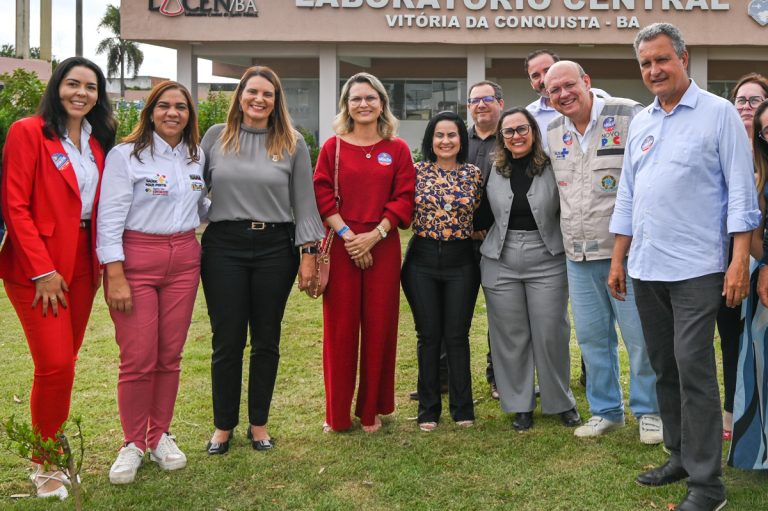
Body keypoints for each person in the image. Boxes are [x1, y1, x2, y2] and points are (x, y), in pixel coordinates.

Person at [609, 23, 760, 511]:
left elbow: (740, 194)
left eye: (661, 59)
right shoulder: (644, 122)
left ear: (684, 57)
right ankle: (678, 455)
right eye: (646, 63)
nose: (654, 70)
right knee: (663, 366)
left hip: (698, 267)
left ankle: (708, 484)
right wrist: (618, 256)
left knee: (693, 366)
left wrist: (738, 261)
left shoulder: (719, 115)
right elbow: (629, 194)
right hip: (646, 266)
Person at [0, 56, 115, 500]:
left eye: (90, 87)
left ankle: (53, 441)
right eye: (73, 84)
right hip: (41, 268)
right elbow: (15, 206)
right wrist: (42, 270)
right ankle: (43, 461)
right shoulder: (29, 132)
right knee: (55, 365)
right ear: (57, 87)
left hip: (85, 263)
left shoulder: (97, 141)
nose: (81, 93)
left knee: (64, 365)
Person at [201, 66, 325, 453]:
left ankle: (259, 424)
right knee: (227, 340)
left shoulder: (292, 142)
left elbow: (305, 204)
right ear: (239, 96)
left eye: (267, 94)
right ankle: (223, 426)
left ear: (276, 101)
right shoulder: (214, 138)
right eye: (252, 92)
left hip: (275, 248)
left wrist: (309, 256)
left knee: (266, 339)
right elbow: (190, 188)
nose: (259, 99)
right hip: (223, 246)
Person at [543, 60, 662, 444]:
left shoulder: (629, 114)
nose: (563, 95)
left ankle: (650, 411)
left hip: (626, 254)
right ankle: (606, 410)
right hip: (577, 255)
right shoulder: (553, 130)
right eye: (553, 91)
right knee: (593, 339)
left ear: (587, 82)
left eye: (568, 85)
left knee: (640, 337)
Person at [97, 81, 208, 484]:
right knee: (139, 356)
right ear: (150, 110)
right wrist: (115, 272)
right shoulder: (126, 156)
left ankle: (159, 434)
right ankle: (132, 442)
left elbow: (201, 204)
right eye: (164, 106)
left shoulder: (196, 157)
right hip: (136, 261)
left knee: (169, 354)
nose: (173, 113)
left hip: (183, 261)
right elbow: (109, 217)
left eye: (181, 107)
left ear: (189, 115)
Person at [314, 72, 415, 433]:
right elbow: (322, 194)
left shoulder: (398, 149)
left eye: (370, 98)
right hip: (342, 246)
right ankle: (337, 415)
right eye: (356, 98)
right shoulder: (333, 147)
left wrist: (373, 235)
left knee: (379, 327)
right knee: (340, 331)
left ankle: (371, 410)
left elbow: (404, 197)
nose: (363, 104)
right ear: (346, 105)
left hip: (383, 245)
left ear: (382, 103)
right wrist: (348, 236)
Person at [481, 107, 579, 431]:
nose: (516, 136)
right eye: (508, 132)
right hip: (501, 258)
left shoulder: (552, 166)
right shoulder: (493, 169)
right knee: (510, 335)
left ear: (533, 132)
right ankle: (519, 403)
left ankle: (560, 401)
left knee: (551, 332)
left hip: (547, 256)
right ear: (501, 139)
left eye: (521, 129)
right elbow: (480, 213)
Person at [402, 111, 482, 431]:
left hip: (461, 261)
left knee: (457, 337)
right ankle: (428, 409)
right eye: (439, 135)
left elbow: (482, 216)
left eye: (452, 135)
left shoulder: (474, 174)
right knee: (429, 336)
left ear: (461, 139)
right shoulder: (415, 171)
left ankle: (462, 409)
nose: (445, 141)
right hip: (421, 260)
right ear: (430, 140)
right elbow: (402, 212)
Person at [719, 74, 768, 441]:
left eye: (754, 100)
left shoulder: (764, 152)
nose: (746, 107)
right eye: (741, 100)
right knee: (732, 334)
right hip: (732, 255)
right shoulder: (725, 144)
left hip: (760, 258)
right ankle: (733, 409)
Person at [730, 99, 768, 470]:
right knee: (762, 369)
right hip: (766, 283)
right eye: (766, 130)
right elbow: (755, 237)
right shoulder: (761, 174)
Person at [467, 80, 505, 400]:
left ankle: (499, 377)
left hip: (500, 243)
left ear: (500, 104)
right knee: (453, 313)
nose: (481, 105)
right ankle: (446, 376)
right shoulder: (455, 139)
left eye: (487, 99)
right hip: (461, 243)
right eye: (475, 100)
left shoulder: (511, 139)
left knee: (502, 315)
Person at [524, 49, 609, 153]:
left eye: (547, 70)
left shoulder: (600, 98)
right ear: (531, 83)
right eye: (536, 76)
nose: (543, 79)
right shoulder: (528, 116)